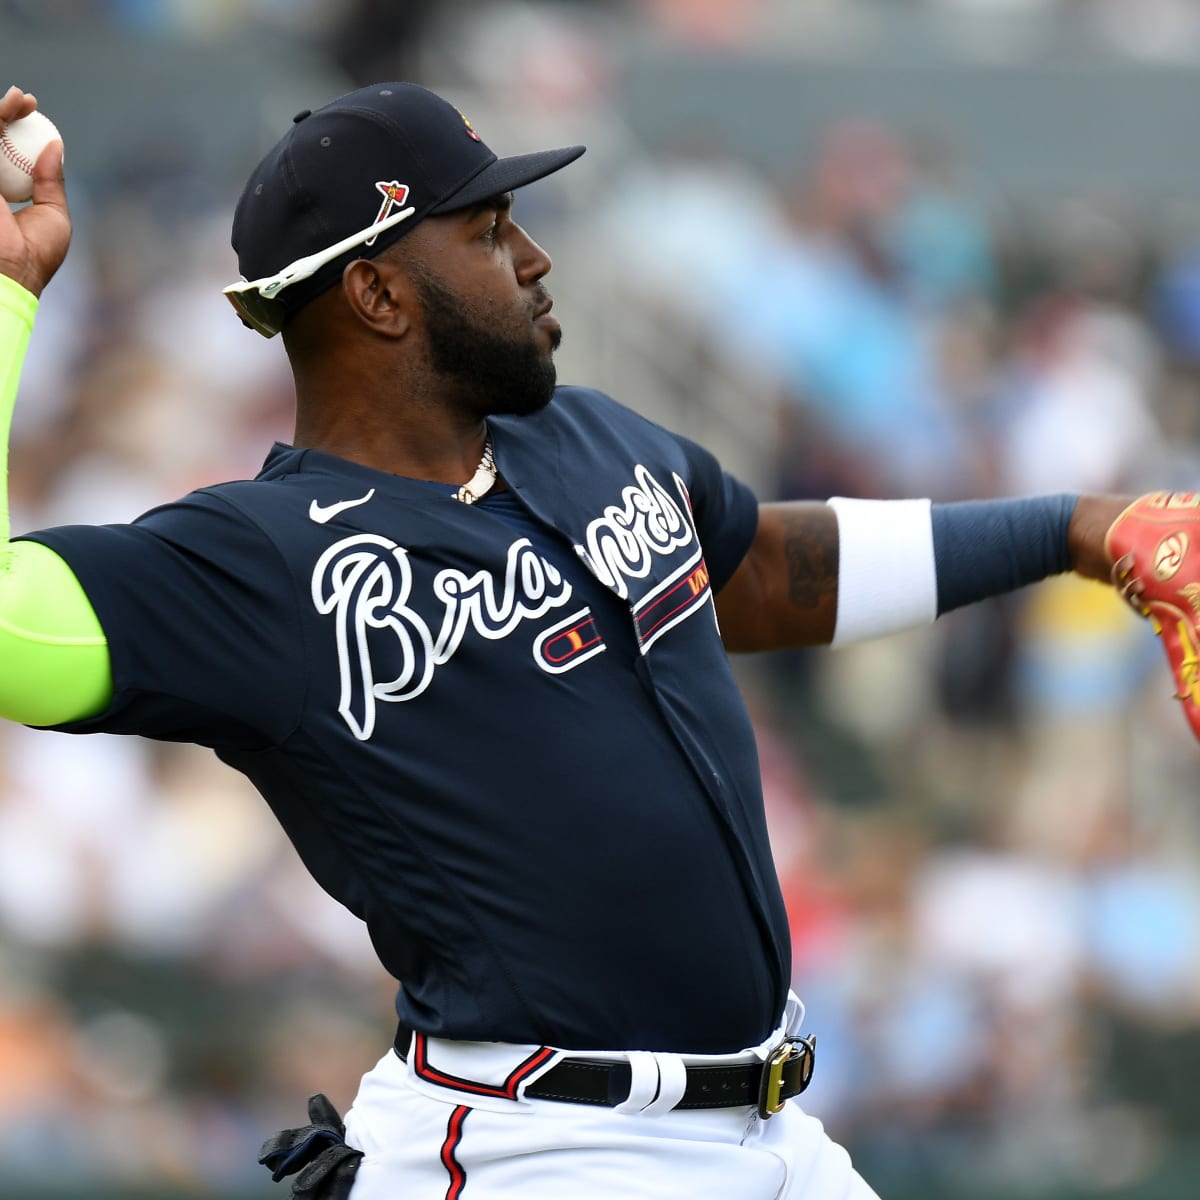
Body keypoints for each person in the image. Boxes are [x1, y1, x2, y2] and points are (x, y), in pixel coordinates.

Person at [0, 80, 1138, 1199]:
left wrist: (1077, 530)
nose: (535, 257)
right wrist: (6, 297)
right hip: (539, 1146)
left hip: (774, 1130)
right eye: (491, 231)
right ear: (378, 295)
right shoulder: (264, 561)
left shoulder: (583, 435)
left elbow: (754, 574)